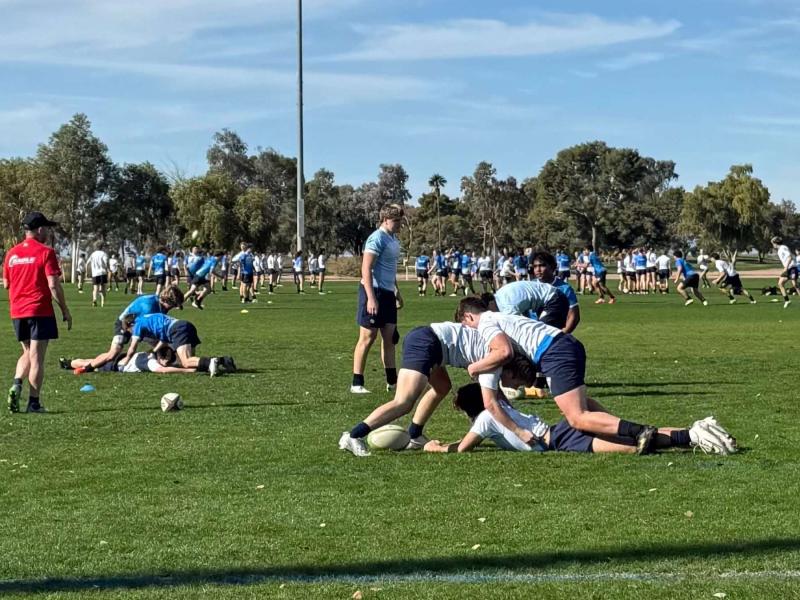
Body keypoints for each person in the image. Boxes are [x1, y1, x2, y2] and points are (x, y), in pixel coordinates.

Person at [457, 296, 660, 454]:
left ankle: (637, 431)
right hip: (564, 344)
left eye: (467, 327)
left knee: (577, 417)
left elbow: (504, 352)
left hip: (554, 351)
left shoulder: (485, 322)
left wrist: (474, 367)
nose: (472, 333)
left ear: (468, 316)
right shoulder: (498, 316)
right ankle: (627, 432)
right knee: (581, 408)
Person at [339, 320, 538, 456]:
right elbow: (493, 402)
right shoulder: (494, 363)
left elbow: (497, 397)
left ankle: (415, 435)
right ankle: (353, 435)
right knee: (403, 402)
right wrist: (519, 429)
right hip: (426, 342)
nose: (515, 387)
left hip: (433, 343)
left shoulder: (501, 356)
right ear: (511, 372)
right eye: (518, 383)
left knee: (442, 387)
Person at [424, 383, 737, 455]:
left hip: (560, 439)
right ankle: (693, 432)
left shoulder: (484, 420)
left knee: (634, 448)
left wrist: (436, 447)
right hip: (559, 431)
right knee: (634, 440)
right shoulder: (499, 410)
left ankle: (693, 436)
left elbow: (463, 448)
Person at [3, 211, 72, 413]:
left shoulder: (11, 254)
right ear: (40, 229)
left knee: (27, 352)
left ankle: (17, 383)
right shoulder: (46, 252)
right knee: (37, 358)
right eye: (47, 228)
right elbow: (53, 285)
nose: (48, 232)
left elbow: (6, 283)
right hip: (39, 310)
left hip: (17, 311)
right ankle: (33, 403)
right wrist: (65, 310)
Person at [64, 286, 184, 375]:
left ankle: (72, 363)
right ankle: (86, 368)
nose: (173, 308)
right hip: (124, 324)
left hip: (136, 324)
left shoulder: (159, 304)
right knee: (112, 354)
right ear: (167, 300)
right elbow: (138, 326)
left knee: (162, 344)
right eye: (173, 305)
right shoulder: (149, 306)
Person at [351, 203, 404, 394]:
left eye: (400, 220)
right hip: (372, 291)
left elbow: (390, 268)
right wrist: (371, 298)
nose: (399, 224)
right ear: (385, 219)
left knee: (390, 337)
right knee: (368, 337)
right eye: (395, 221)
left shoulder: (393, 239)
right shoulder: (376, 238)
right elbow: (366, 268)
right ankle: (357, 382)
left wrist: (396, 290)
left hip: (388, 293)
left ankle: (392, 382)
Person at [117, 312, 233, 375]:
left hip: (177, 329)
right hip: (185, 325)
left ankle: (211, 361)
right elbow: (164, 340)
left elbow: (132, 348)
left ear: (130, 325)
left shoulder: (137, 325)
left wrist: (125, 363)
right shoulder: (148, 318)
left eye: (128, 331)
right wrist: (154, 351)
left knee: (186, 362)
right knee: (193, 362)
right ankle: (224, 360)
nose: (130, 333)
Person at [529, 251, 580, 334]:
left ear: (552, 267)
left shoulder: (565, 289)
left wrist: (562, 334)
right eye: (535, 266)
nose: (538, 270)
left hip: (555, 334)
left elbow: (574, 316)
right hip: (533, 335)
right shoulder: (530, 286)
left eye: (542, 265)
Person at [489, 279, 570, 329]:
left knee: (543, 334)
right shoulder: (500, 294)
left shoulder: (508, 307)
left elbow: (515, 328)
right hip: (549, 298)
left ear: (490, 303)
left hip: (553, 299)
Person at [65, 346, 201, 375]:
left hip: (119, 358)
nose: (170, 363)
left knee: (90, 360)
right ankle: (69, 364)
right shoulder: (151, 362)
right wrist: (187, 370)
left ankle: (67, 362)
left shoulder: (149, 355)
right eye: (168, 360)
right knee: (87, 364)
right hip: (114, 365)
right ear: (161, 358)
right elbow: (163, 370)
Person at [771, 236, 798, 308]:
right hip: (788, 268)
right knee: (780, 283)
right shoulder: (780, 249)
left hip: (791, 268)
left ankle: (787, 300)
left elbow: (789, 257)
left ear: (775, 243)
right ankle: (787, 300)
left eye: (772, 243)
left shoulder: (783, 248)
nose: (772, 245)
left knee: (795, 285)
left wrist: (786, 267)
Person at [88, 242, 109, 307]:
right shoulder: (103, 254)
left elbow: (87, 263)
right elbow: (106, 262)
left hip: (95, 273)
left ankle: (94, 299)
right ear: (102, 247)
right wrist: (108, 269)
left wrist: (87, 271)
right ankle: (103, 302)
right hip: (102, 272)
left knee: (95, 288)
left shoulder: (93, 254)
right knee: (103, 288)